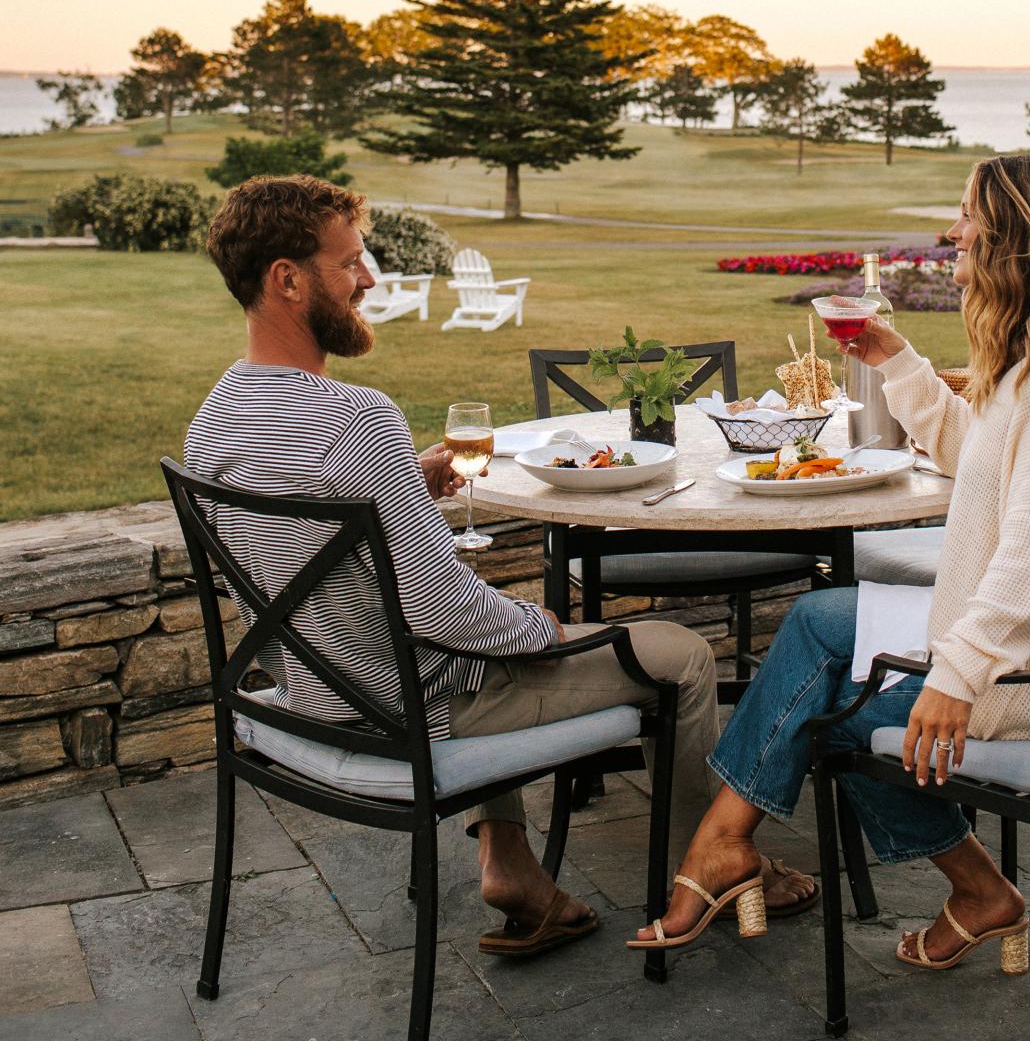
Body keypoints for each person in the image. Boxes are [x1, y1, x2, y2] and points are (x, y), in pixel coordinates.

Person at [186, 175, 812, 958]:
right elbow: (443, 613)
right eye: (349, 264)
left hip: (312, 698)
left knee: (493, 632)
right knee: (677, 655)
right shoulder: (357, 421)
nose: (369, 280)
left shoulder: (214, 420)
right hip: (411, 707)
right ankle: (708, 866)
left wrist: (400, 481)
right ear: (287, 280)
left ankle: (511, 867)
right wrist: (536, 628)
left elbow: (280, 557)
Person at [630, 154, 1030, 972]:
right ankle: (725, 844)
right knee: (817, 620)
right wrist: (898, 361)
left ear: (1016, 239)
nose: (953, 232)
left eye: (968, 216)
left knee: (839, 720)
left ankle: (973, 890)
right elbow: (973, 455)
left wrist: (958, 675)